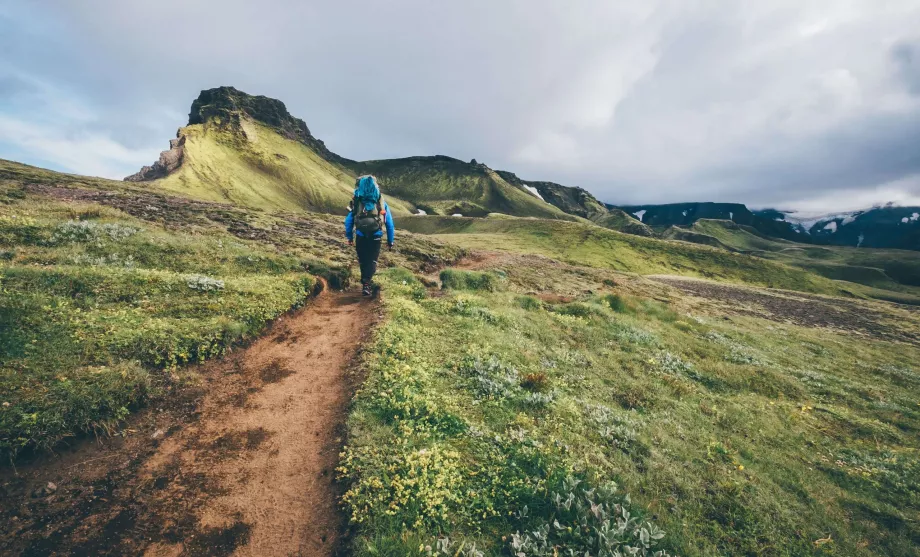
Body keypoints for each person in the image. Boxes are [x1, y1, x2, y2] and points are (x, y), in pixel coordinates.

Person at [344, 175, 395, 296]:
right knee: (372, 260)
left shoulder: (357, 201)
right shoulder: (380, 202)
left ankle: (365, 284)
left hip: (360, 234)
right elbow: (389, 223)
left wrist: (350, 237)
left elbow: (348, 221)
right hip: (376, 235)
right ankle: (367, 283)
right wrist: (390, 241)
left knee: (363, 260)